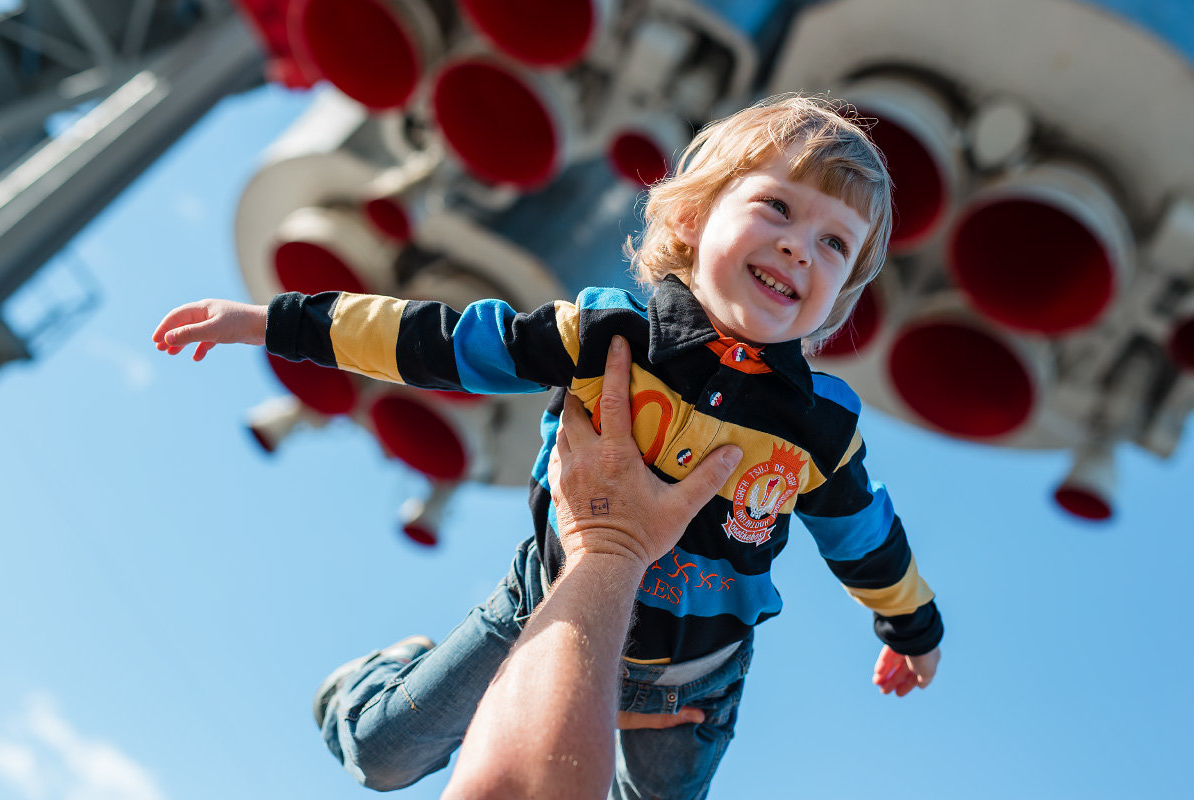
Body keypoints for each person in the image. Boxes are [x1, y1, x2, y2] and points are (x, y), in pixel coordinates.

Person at [153, 93, 942, 798]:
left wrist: (912, 629)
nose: (802, 246)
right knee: (380, 755)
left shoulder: (820, 427)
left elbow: (866, 540)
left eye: (836, 244)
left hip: (692, 682)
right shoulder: (606, 337)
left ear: (840, 297)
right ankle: (368, 682)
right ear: (695, 218)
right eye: (776, 207)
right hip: (545, 612)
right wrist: (278, 322)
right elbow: (440, 341)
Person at [442, 337, 743, 800]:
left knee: (377, 752)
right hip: (565, 608)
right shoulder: (599, 331)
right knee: (379, 754)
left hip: (668, 667)